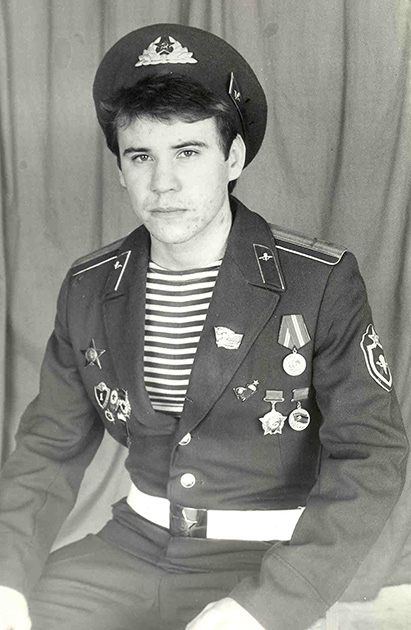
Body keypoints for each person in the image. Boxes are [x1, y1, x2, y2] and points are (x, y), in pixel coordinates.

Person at [0, 23, 408, 630]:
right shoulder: (91, 286)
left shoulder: (318, 282)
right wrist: (6, 576)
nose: (162, 183)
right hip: (131, 548)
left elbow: (371, 455)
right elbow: (47, 448)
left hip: (262, 563)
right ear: (120, 168)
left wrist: (267, 606)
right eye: (141, 156)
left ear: (233, 157)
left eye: (188, 152)